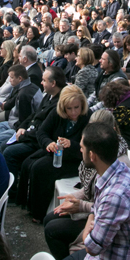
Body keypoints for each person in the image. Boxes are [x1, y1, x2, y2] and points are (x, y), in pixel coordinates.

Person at [56, 123, 130, 260]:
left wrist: (89, 224)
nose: (80, 150)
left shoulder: (115, 195)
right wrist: (92, 216)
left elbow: (92, 248)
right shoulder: (114, 169)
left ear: (92, 155)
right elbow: (97, 210)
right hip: (110, 252)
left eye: (82, 147)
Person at [16, 85, 90, 223]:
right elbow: (42, 132)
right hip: (57, 153)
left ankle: (39, 212)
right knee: (28, 163)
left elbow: (90, 145)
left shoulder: (87, 117)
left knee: (40, 168)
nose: (73, 112)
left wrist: (72, 144)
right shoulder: (57, 114)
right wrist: (48, 143)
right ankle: (29, 204)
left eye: (76, 107)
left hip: (76, 159)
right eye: (69, 108)